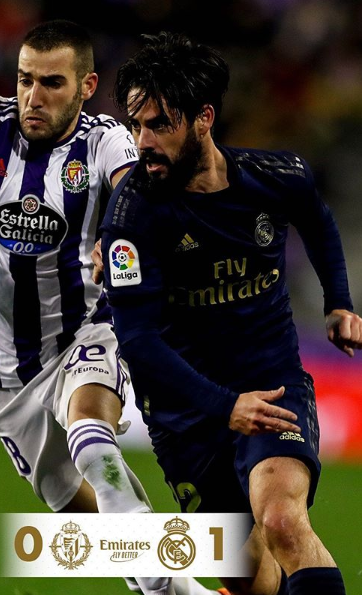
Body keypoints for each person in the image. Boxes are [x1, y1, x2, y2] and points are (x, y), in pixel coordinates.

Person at [0, 20, 227, 595]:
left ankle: (163, 585)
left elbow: (136, 190)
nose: (33, 97)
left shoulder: (104, 141)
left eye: (51, 83)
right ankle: (179, 588)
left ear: (86, 86)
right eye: (25, 80)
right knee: (85, 515)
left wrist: (121, 233)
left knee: (92, 432)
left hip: (83, 336)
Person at [97, 31, 362, 595]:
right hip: (187, 414)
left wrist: (338, 302)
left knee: (283, 522)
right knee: (247, 579)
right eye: (136, 126)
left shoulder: (275, 177)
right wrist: (223, 406)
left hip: (271, 386)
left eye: (159, 125)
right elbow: (138, 340)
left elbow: (317, 220)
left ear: (204, 119)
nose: (143, 142)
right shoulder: (132, 218)